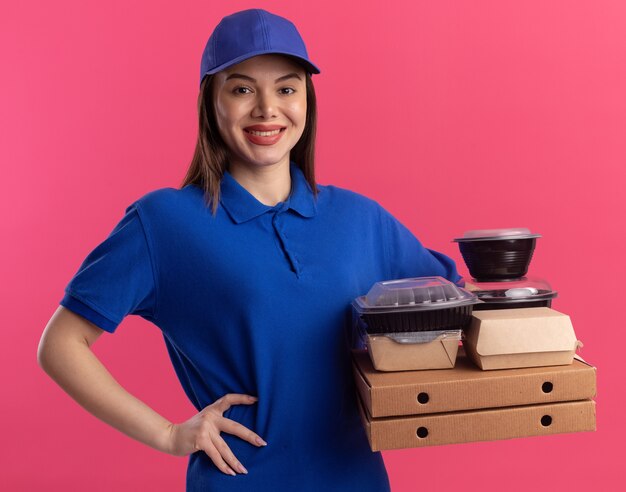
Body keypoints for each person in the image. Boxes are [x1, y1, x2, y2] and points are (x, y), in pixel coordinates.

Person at [37, 9, 462, 492]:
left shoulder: (359, 219)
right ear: (210, 103)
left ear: (307, 100)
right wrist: (168, 434)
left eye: (286, 88)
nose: (266, 109)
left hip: (357, 479)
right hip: (242, 480)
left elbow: (452, 302)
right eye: (241, 89)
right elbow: (60, 345)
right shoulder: (165, 223)